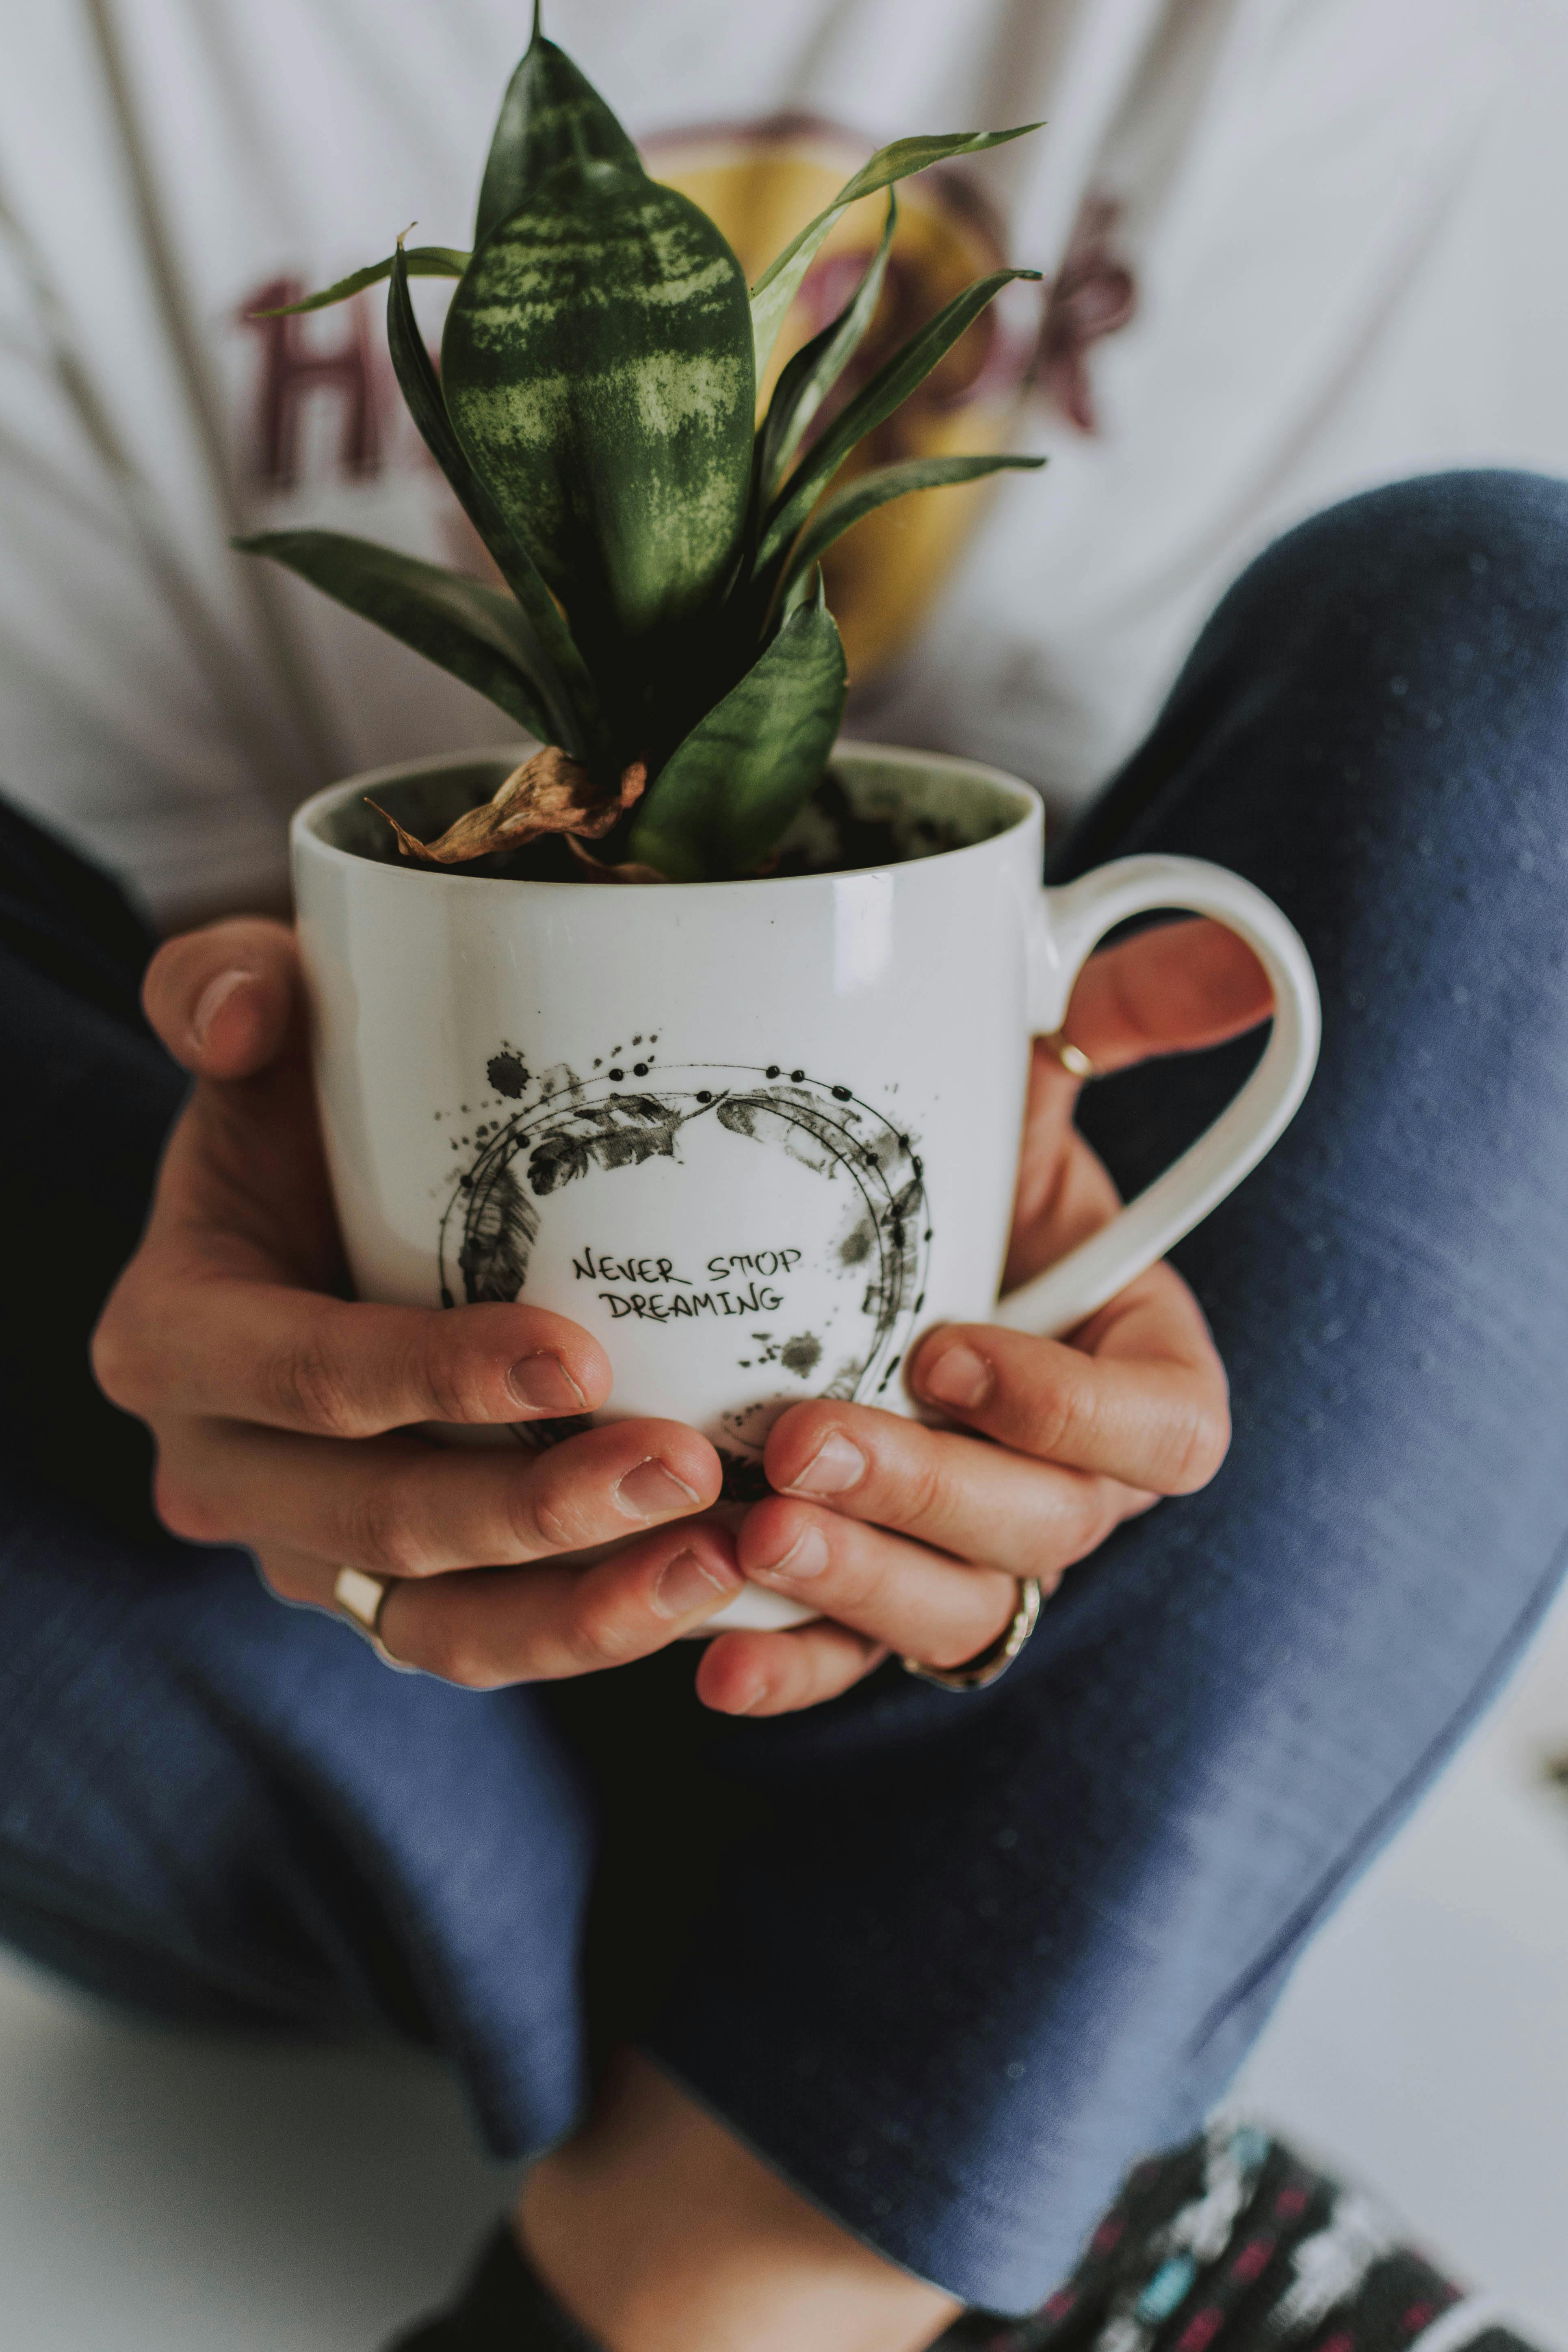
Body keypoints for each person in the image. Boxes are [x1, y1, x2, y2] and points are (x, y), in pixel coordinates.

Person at [1, 5, 1566, 2350]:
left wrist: (1013, 1155)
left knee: (1516, 635)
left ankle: (727, 2268)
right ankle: (979, 2122)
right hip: (288, 1644)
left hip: (1041, 1541)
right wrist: (240, 1256)